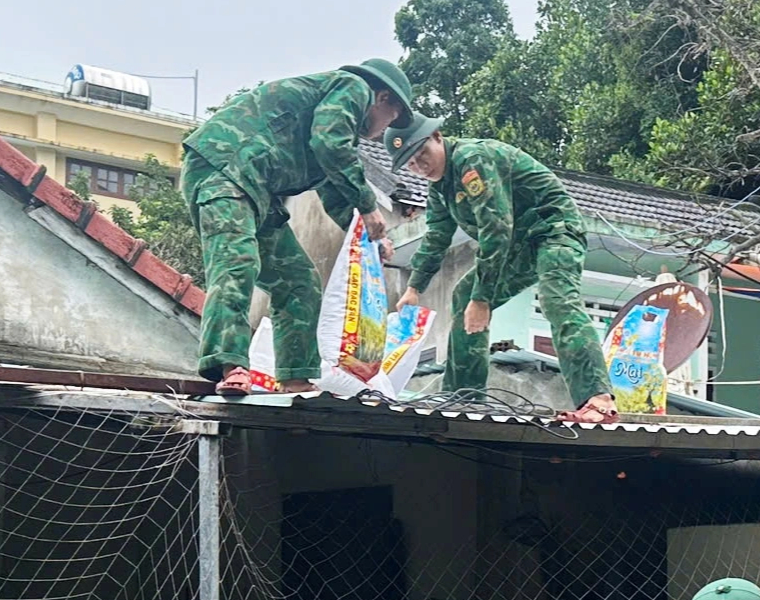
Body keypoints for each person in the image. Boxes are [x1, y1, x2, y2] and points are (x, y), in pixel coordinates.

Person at [183, 59, 415, 397]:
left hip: (259, 190)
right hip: (224, 168)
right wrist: (368, 205)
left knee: (298, 281)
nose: (383, 130)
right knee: (237, 261)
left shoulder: (339, 136)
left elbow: (337, 195)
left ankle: (295, 378)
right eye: (391, 119)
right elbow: (329, 143)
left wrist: (371, 239)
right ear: (382, 98)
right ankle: (230, 364)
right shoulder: (352, 87)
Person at [382, 114, 619, 424]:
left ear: (437, 136)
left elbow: (496, 228)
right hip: (517, 245)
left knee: (557, 300)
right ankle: (464, 397)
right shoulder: (439, 189)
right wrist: (414, 288)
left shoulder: (471, 159)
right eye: (410, 163)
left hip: (552, 230)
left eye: (421, 153)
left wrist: (483, 299)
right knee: (464, 294)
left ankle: (598, 400)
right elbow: (437, 236)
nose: (419, 165)